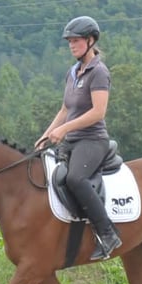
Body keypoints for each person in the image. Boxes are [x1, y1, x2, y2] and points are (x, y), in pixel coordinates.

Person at [35, 16, 123, 260]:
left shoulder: (99, 72)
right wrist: (45, 135)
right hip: (72, 140)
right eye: (69, 42)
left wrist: (64, 130)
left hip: (93, 140)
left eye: (76, 41)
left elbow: (98, 112)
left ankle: (107, 233)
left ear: (90, 40)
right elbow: (64, 110)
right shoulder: (72, 73)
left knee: (75, 177)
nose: (71, 45)